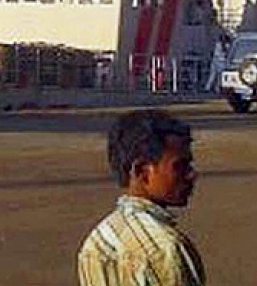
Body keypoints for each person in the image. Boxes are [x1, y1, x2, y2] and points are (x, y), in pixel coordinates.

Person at [77, 110, 205, 286]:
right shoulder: (166, 248)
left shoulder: (97, 240)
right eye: (180, 166)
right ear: (141, 172)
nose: (191, 175)